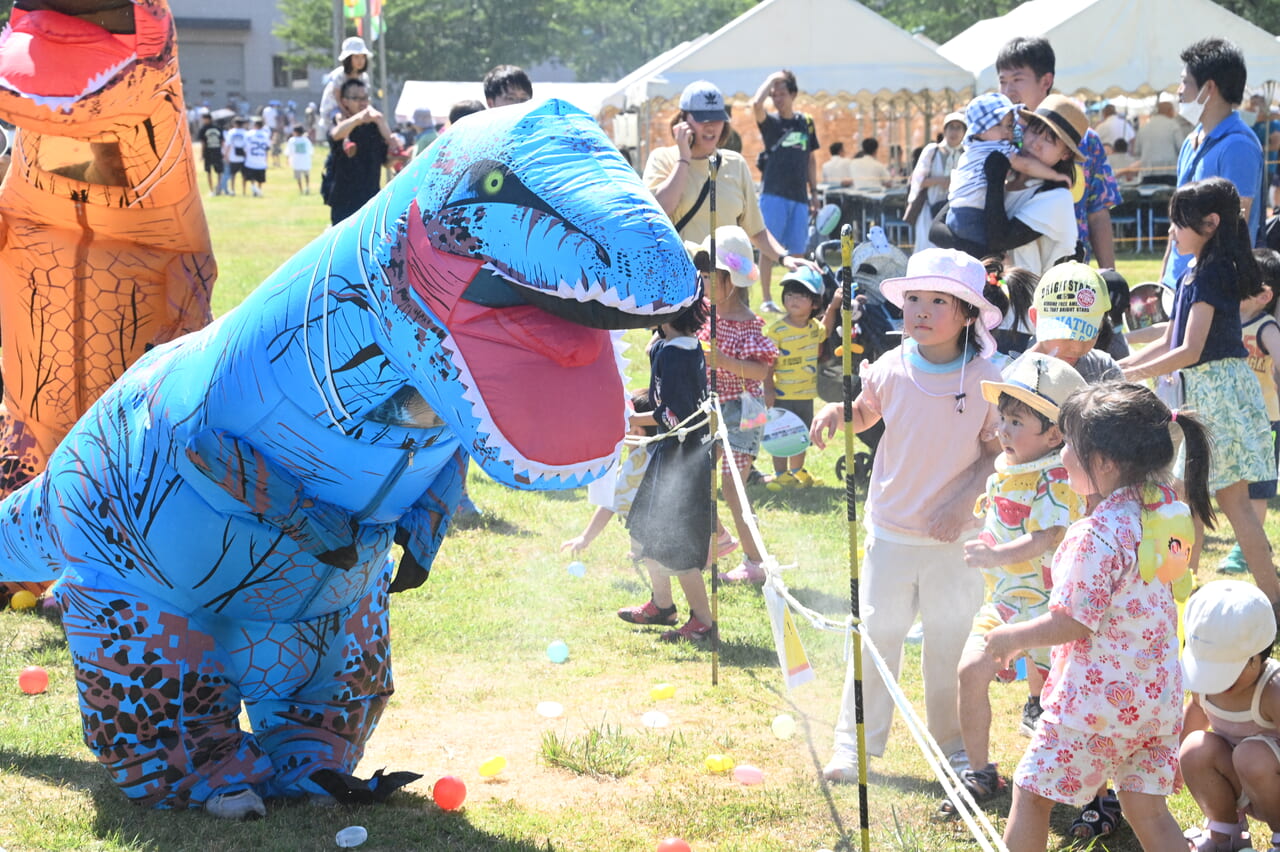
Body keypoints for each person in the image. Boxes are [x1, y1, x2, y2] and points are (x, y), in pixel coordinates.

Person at [984, 381, 1209, 852]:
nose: (1063, 455)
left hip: (1095, 705)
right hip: (1155, 699)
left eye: (1069, 445)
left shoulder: (1095, 534)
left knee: (1030, 796)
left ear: (1103, 462)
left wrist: (1010, 638)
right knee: (1146, 808)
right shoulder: (1166, 511)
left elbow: (1073, 620)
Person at [811, 248, 1003, 784]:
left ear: (967, 313)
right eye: (913, 298)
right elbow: (869, 412)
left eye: (937, 301)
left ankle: (956, 749)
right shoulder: (892, 365)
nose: (919, 310)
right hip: (891, 532)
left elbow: (998, 454)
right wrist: (837, 412)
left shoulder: (988, 377)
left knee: (948, 649)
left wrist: (961, 501)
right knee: (875, 640)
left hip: (955, 541)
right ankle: (853, 743)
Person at [1119, 177, 1280, 612]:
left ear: (1209, 223)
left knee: (1203, 501)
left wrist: (1132, 371)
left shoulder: (1211, 273)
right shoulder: (1200, 270)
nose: (1172, 232)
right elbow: (1172, 336)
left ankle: (1174, 597)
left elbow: (1188, 350)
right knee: (1200, 502)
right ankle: (1178, 597)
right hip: (1209, 393)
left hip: (1213, 396)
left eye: (1178, 224)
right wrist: (1124, 365)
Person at [942, 354, 1088, 815]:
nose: (1003, 429)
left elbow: (1046, 536)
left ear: (1055, 434)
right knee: (970, 671)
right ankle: (982, 772)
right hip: (1005, 602)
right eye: (1003, 418)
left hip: (1051, 611)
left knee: (1062, 704)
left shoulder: (1058, 476)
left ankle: (1084, 787)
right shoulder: (1007, 466)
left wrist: (995, 554)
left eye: (1017, 421)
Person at [619, 275, 719, 643]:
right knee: (645, 529)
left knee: (676, 546)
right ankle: (662, 605)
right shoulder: (683, 346)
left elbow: (672, 414)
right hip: (673, 455)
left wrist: (631, 420)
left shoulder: (673, 354)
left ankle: (704, 621)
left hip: (680, 461)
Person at [642, 80, 817, 289]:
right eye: (701, 119)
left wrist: (784, 258)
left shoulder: (735, 163)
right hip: (680, 283)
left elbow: (756, 229)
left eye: (717, 119)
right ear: (683, 121)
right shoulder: (662, 159)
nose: (710, 126)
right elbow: (660, 210)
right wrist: (684, 158)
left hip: (729, 286)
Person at [693, 227, 778, 584]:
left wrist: (724, 361)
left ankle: (755, 562)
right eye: (704, 275)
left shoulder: (747, 324)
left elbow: (761, 369)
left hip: (745, 407)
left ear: (733, 280)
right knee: (695, 477)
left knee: (733, 486)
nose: (706, 282)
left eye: (713, 276)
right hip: (711, 406)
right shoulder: (702, 313)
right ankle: (719, 538)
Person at [996, 37, 1120, 268]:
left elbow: (1098, 212)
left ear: (1046, 81)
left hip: (1066, 275)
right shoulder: (998, 138)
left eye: (1017, 79)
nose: (1008, 90)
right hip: (1006, 267)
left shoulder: (1087, 141)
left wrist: (1109, 276)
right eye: (1002, 81)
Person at [1180, 580, 1280, 852]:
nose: (1218, 683)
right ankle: (1225, 835)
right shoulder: (1206, 684)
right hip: (1240, 783)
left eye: (1228, 669)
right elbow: (1195, 717)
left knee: (1251, 754)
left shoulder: (1272, 688)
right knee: (1192, 750)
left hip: (1271, 780)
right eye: (1210, 668)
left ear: (1258, 656)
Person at [1162, 38, 1264, 289]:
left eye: (1185, 81)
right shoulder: (1190, 140)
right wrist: (1163, 277)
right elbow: (1176, 224)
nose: (1179, 90)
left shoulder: (1238, 146)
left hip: (1213, 287)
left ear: (1209, 88)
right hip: (1178, 283)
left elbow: (1236, 224)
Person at [945, 93, 1071, 258]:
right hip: (974, 216)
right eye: (997, 124)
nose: (1006, 131)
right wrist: (1055, 176)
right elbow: (1025, 165)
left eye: (1010, 125)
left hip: (953, 214)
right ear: (979, 131)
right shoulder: (999, 149)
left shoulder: (971, 150)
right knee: (990, 258)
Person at [1219, 247, 1280, 576]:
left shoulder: (1267, 328)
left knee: (1258, 487)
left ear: (1263, 294)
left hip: (1264, 421)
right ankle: (1247, 540)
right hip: (1230, 418)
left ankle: (1245, 551)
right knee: (1235, 483)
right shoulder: (1224, 318)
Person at [763, 266, 842, 489]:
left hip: (805, 394)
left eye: (801, 295)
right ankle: (780, 474)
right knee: (780, 434)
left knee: (800, 435)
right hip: (782, 393)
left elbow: (825, 329)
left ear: (814, 303)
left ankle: (796, 471)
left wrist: (834, 306)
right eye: (789, 294)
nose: (793, 299)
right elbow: (769, 364)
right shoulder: (777, 331)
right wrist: (768, 389)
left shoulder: (813, 328)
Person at [752, 70, 820, 313]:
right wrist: (771, 78)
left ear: (793, 94)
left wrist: (814, 192)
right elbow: (755, 104)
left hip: (799, 197)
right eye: (774, 95)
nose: (777, 99)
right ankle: (768, 299)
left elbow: (811, 160)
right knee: (768, 249)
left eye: (782, 93)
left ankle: (798, 298)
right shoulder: (771, 124)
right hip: (773, 194)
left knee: (798, 250)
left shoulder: (806, 123)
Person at [1028, 262, 1124, 383]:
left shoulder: (1104, 367)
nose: (1077, 348)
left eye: (1090, 334)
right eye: (1067, 335)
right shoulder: (1018, 376)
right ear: (1035, 318)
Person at [322, 79, 391, 227]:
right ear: (344, 101)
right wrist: (358, 119)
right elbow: (335, 134)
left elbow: (386, 160)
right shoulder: (340, 123)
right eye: (356, 98)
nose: (362, 102)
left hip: (371, 200)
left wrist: (381, 123)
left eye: (365, 98)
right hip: (344, 202)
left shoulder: (374, 126)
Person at [907, 112, 965, 253]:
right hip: (929, 209)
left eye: (959, 128)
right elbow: (917, 181)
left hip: (954, 212)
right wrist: (940, 181)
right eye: (951, 127)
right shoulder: (932, 151)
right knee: (927, 247)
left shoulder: (966, 153)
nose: (954, 132)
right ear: (945, 130)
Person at [1132, 94, 1188, 185]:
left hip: (1147, 174)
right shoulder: (1173, 125)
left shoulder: (1144, 127)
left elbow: (1137, 151)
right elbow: (1182, 148)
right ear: (1170, 111)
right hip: (1169, 173)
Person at [318, 37, 372, 125]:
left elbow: (366, 96)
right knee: (341, 118)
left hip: (357, 108)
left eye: (363, 57)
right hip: (335, 108)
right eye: (356, 57)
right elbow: (337, 98)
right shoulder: (339, 75)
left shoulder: (364, 77)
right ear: (348, 58)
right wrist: (346, 113)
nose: (360, 61)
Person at [242, 116, 269, 197]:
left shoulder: (249, 134)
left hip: (250, 159)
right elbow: (267, 148)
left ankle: (254, 188)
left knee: (252, 177)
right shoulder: (265, 135)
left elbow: (245, 147)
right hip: (261, 159)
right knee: (260, 178)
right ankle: (259, 189)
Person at [198, 111, 223, 196]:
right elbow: (222, 141)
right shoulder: (218, 128)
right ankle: (216, 188)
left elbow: (203, 143)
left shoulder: (203, 129)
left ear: (207, 119)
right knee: (216, 171)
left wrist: (201, 154)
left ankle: (214, 189)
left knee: (211, 171)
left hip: (209, 152)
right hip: (216, 151)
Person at [223, 115, 247, 197]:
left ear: (234, 124)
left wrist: (226, 155)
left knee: (233, 174)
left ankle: (233, 190)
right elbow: (246, 146)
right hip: (243, 157)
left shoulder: (231, 132)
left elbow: (228, 145)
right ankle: (244, 191)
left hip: (233, 157)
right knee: (244, 175)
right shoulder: (245, 133)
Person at [287, 124, 314, 195]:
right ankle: (307, 187)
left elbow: (289, 151)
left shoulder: (292, 140)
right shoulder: (306, 140)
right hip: (306, 160)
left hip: (296, 161)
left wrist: (288, 160)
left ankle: (301, 189)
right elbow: (311, 151)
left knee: (298, 177)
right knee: (306, 175)